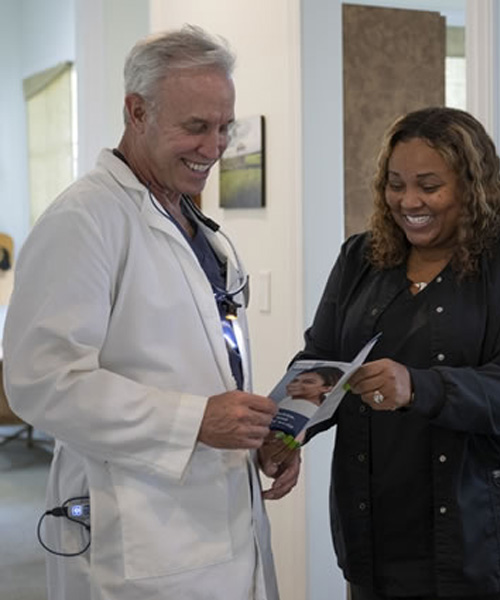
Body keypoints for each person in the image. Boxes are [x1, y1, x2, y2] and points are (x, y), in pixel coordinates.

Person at [2, 25, 299, 600]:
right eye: (195, 127)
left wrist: (256, 435)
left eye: (223, 128)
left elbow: (207, 364)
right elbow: (40, 383)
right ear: (136, 112)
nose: (214, 148)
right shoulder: (84, 221)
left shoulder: (195, 225)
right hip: (139, 536)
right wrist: (193, 422)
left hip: (217, 521)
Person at [292, 107, 500, 599]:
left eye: (429, 185)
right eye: (396, 184)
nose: (409, 201)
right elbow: (322, 359)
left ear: (472, 185)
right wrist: (287, 428)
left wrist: (417, 385)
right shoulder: (361, 258)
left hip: (495, 540)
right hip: (380, 538)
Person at [270, 366, 344, 439]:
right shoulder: (284, 402)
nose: (295, 385)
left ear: (326, 388)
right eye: (294, 380)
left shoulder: (314, 412)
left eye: (308, 382)